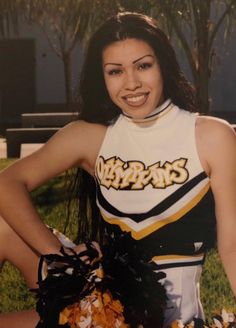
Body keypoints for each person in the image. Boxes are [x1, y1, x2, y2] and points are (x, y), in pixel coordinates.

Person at [0, 11, 236, 328]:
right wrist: (65, 258)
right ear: (103, 78)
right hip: (99, 303)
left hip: (168, 320)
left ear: (162, 64)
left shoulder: (212, 136)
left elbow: (233, 247)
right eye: (115, 71)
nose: (131, 83)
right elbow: (7, 183)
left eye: (143, 65)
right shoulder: (90, 137)